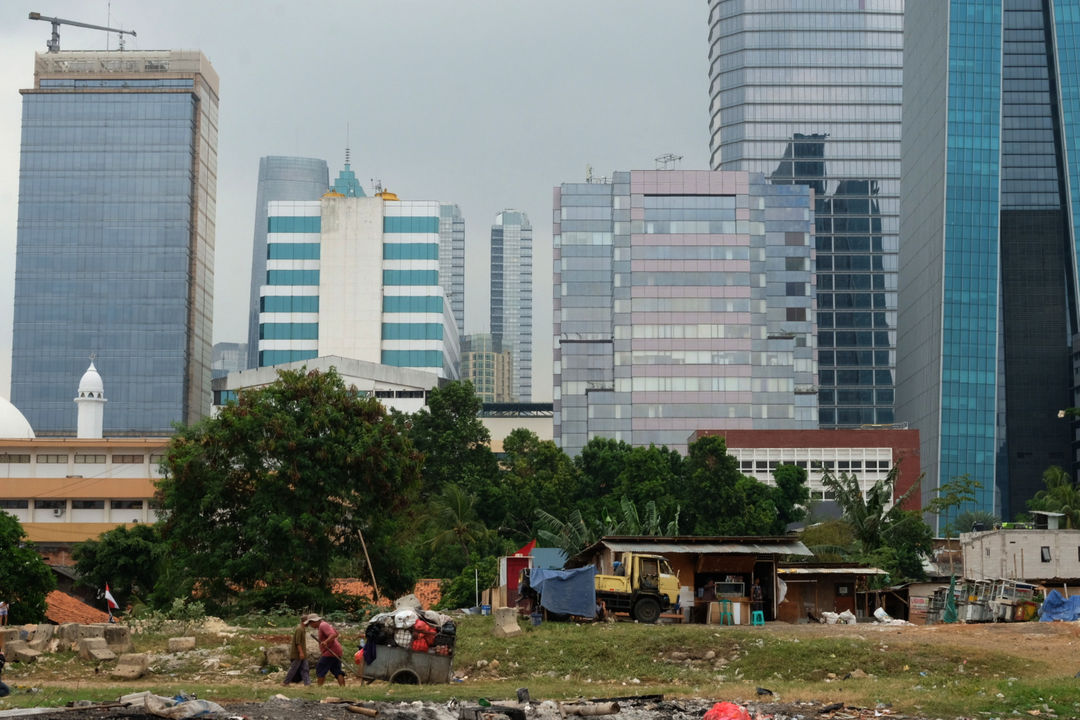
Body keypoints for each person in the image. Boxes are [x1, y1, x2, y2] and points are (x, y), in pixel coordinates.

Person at [307, 615, 346, 687]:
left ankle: (319, 688)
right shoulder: (324, 624)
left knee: (320, 668)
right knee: (337, 670)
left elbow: (333, 634)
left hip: (331, 651)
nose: (310, 625)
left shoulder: (323, 625)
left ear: (314, 622)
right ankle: (343, 687)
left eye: (310, 623)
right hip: (336, 650)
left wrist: (326, 642)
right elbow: (336, 633)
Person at [282, 614, 311, 686]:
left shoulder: (303, 629)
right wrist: (301, 652)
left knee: (305, 668)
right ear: (304, 621)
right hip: (297, 654)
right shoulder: (299, 629)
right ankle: (285, 682)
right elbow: (297, 642)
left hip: (302, 653)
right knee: (294, 668)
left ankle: (307, 683)